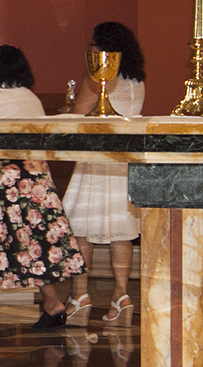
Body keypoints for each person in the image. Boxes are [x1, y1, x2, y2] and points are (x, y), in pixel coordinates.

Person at [0, 44, 85, 330]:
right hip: (34, 183)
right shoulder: (32, 100)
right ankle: (51, 303)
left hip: (0, 188)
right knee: (31, 244)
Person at [63, 22, 145, 327]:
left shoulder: (97, 76)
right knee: (120, 231)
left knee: (82, 228)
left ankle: (80, 296)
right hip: (123, 162)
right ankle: (121, 297)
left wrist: (69, 107)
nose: (92, 50)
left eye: (95, 45)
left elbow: (80, 113)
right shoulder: (137, 80)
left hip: (96, 159)